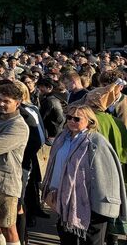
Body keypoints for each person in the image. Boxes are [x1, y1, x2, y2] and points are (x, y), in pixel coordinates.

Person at [42, 104, 127, 245]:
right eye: (69, 117)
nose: (71, 121)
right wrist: (51, 190)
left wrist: (106, 204)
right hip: (64, 201)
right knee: (66, 239)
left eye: (77, 119)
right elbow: (54, 166)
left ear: (90, 121)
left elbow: (109, 175)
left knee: (91, 242)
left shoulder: (96, 142)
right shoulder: (62, 138)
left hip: (91, 205)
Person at [0, 83, 29, 245]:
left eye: (6, 101)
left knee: (8, 226)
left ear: (17, 103)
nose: (1, 104)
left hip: (6, 184)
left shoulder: (19, 126)